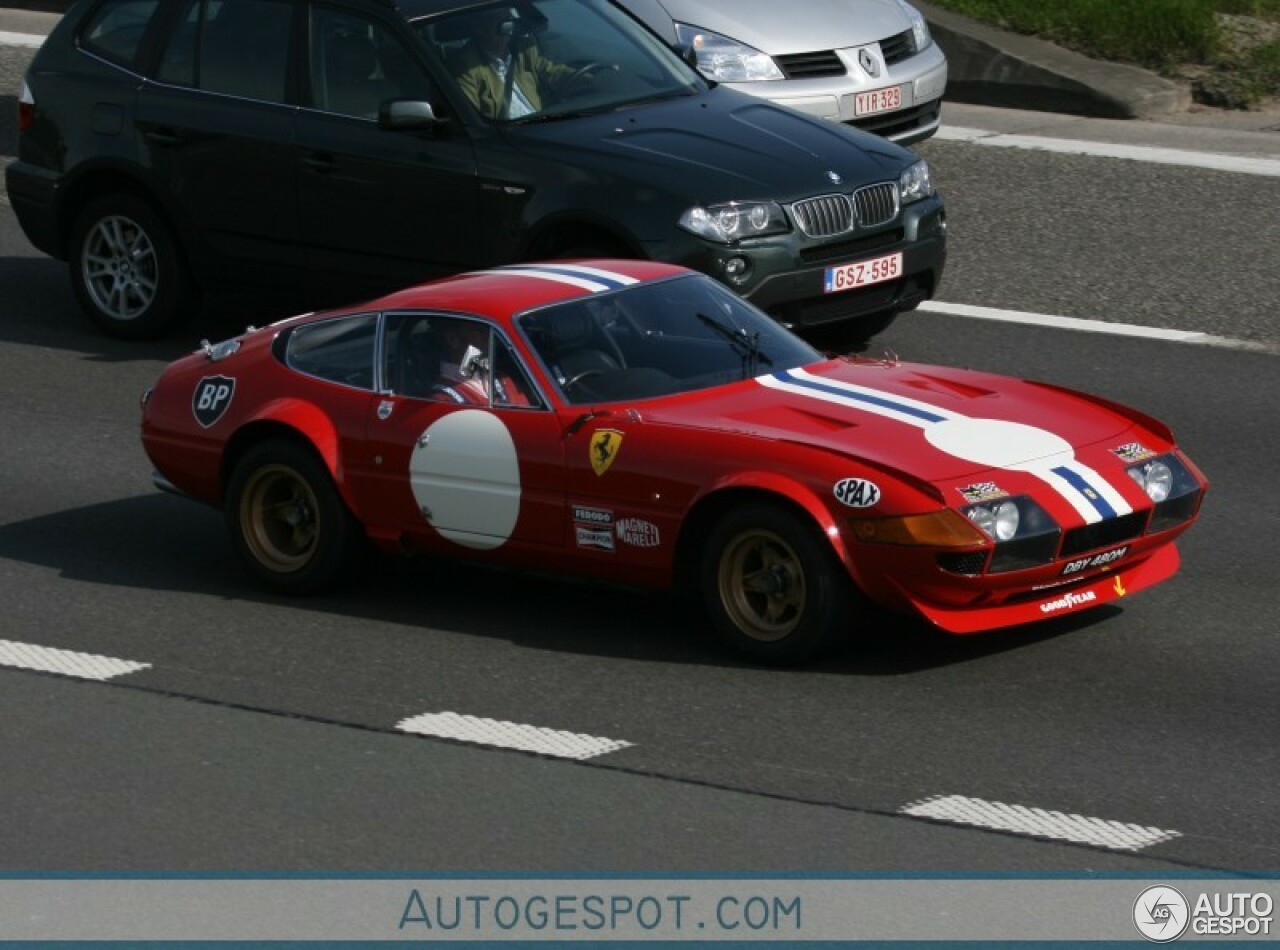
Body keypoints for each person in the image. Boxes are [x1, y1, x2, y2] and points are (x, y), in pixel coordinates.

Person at [447, 6, 580, 119]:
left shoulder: (524, 50)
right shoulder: (466, 66)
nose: (507, 22)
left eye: (507, 15)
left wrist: (592, 79)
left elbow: (554, 72)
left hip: (542, 125)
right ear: (479, 27)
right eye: (497, 17)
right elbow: (470, 117)